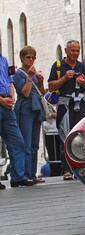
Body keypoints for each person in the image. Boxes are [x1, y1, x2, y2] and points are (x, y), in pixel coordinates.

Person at [48, 40, 85, 181]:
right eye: (72, 50)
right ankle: (67, 169)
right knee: (65, 137)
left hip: (81, 105)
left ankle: (83, 168)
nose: (75, 53)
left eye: (77, 50)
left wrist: (83, 83)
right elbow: (51, 87)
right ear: (66, 51)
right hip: (65, 105)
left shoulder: (82, 66)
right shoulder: (58, 66)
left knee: (84, 137)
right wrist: (64, 78)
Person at [13, 46, 46, 184]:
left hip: (36, 108)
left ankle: (32, 173)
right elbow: (25, 93)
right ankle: (24, 174)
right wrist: (30, 77)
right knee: (25, 142)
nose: (31, 60)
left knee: (34, 143)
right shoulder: (18, 73)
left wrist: (41, 80)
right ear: (22, 58)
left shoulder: (34, 73)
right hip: (25, 108)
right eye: (28, 57)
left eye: (33, 57)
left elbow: (42, 92)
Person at [0, 53, 34, 189]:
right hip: (2, 101)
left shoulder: (3, 60)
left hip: (7, 104)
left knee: (17, 141)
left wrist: (11, 95)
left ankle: (18, 177)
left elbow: (9, 80)